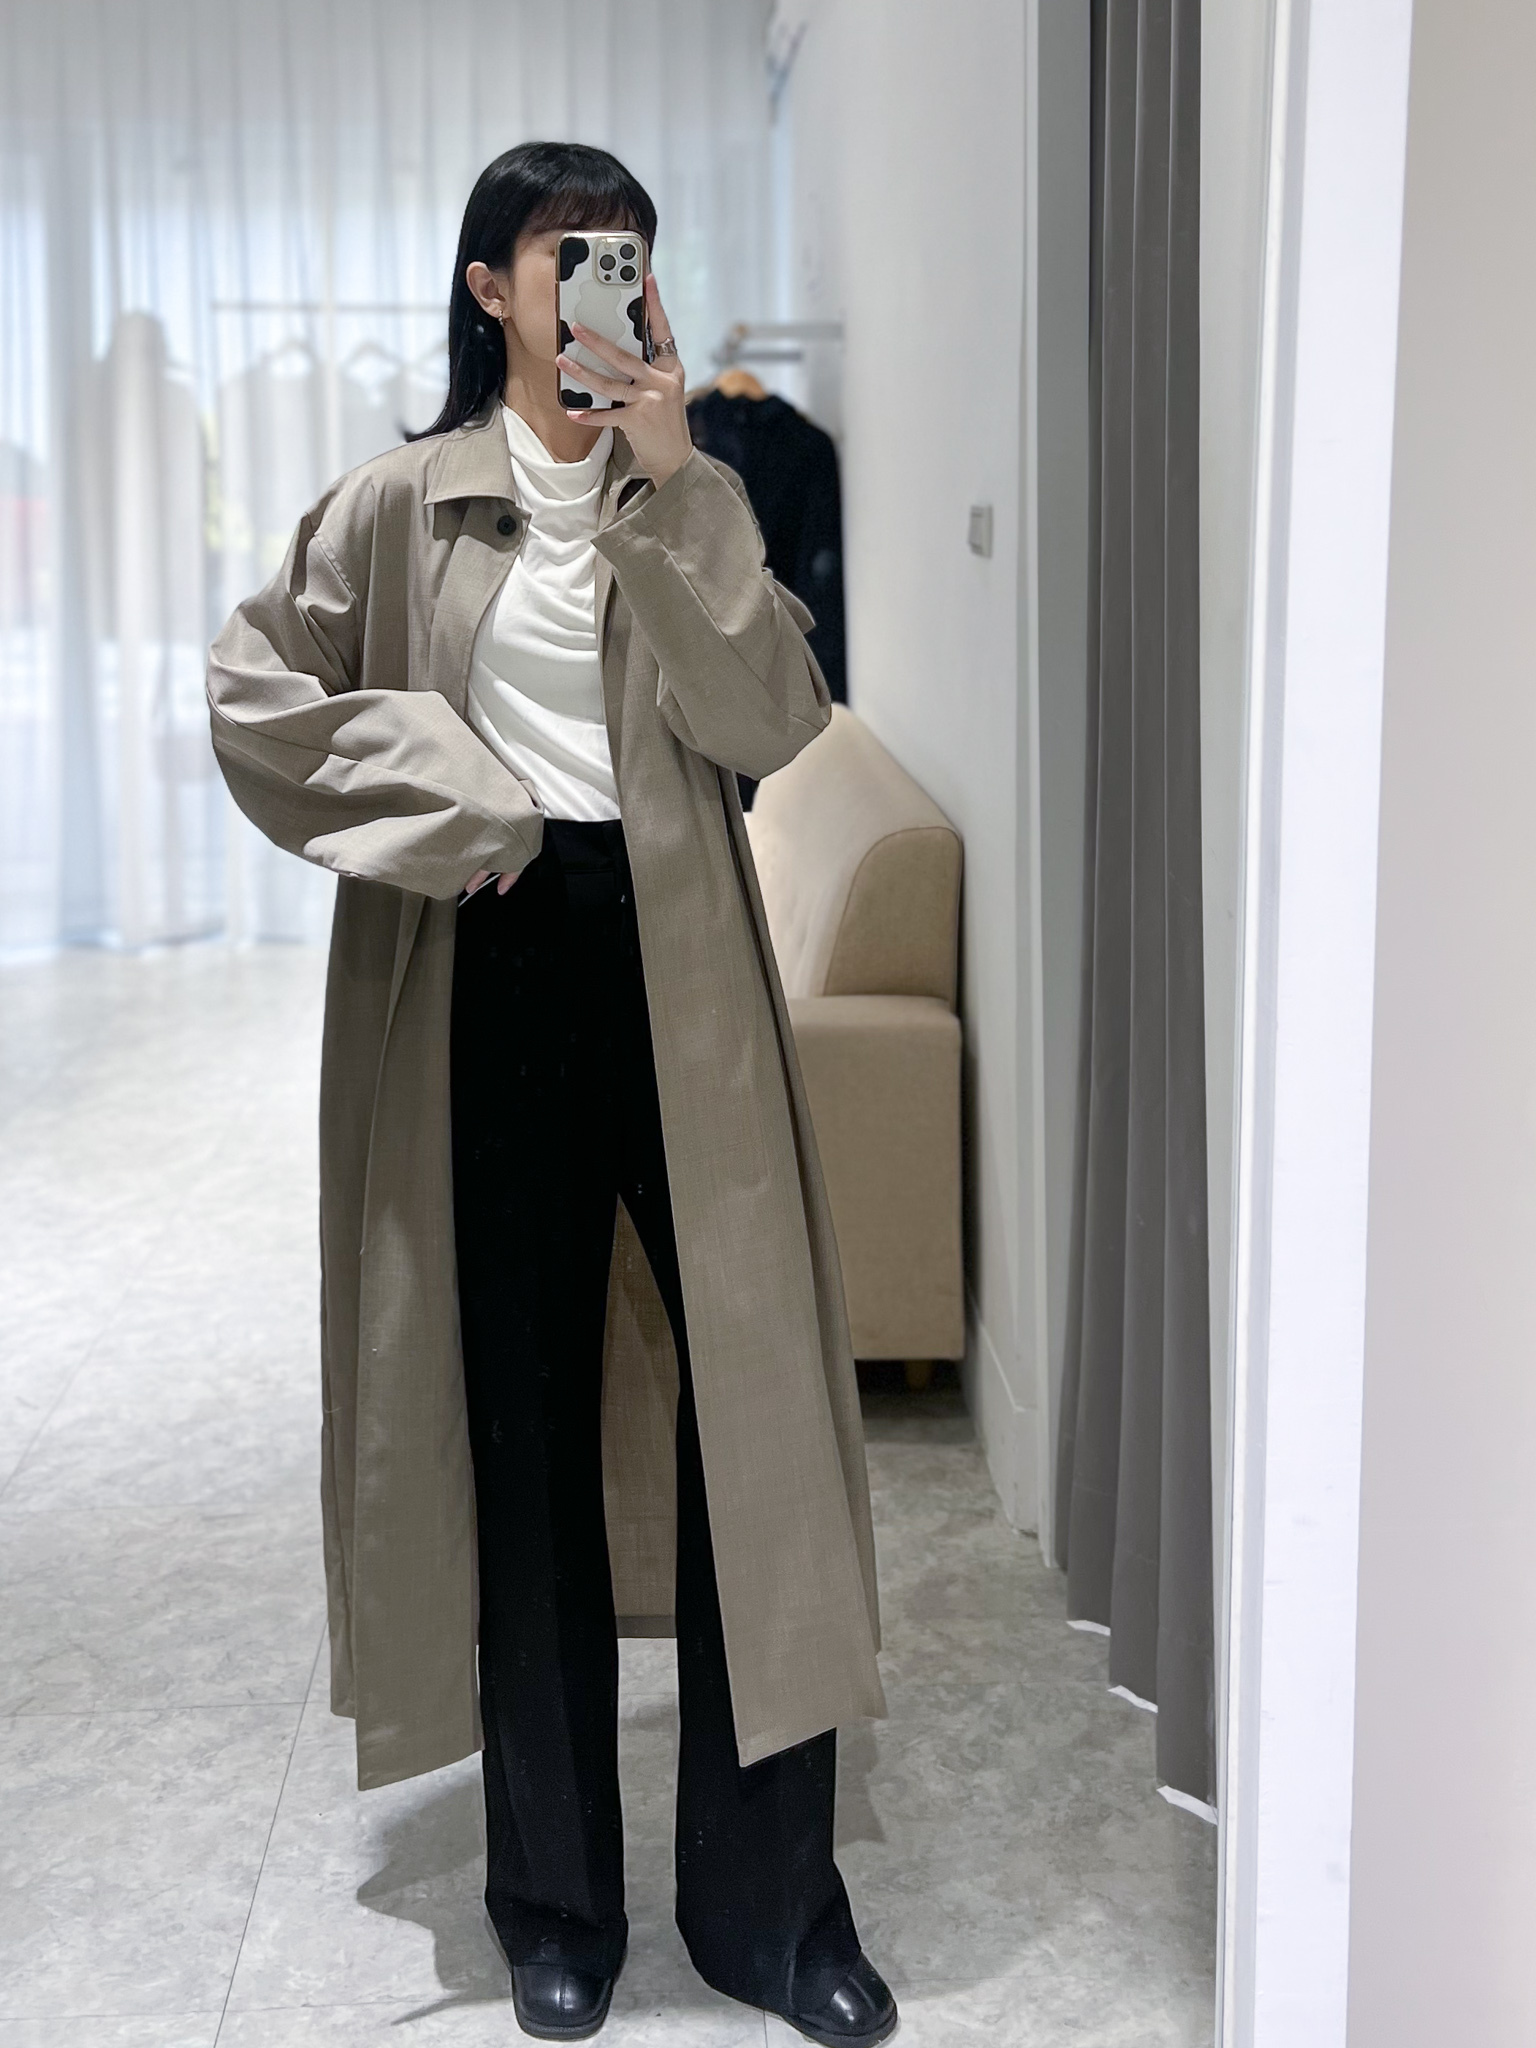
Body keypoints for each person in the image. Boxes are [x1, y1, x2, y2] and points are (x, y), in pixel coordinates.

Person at [205, 141, 897, 2047]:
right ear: (492, 289)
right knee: (519, 1438)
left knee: (749, 1429)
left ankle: (776, 1914)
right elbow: (255, 697)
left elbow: (772, 724)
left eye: (631, 254)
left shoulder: (700, 489)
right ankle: (556, 1906)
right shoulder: (401, 504)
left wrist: (677, 481)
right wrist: (455, 800)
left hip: (687, 974)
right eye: (568, 252)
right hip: (486, 976)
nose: (608, 280)